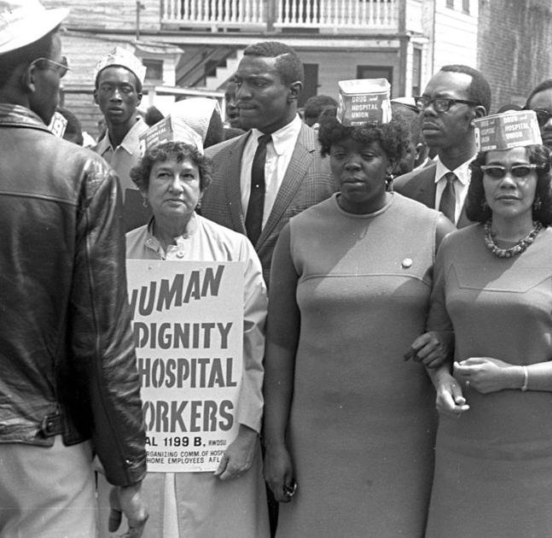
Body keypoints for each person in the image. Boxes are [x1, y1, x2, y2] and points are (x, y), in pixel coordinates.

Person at [420, 123, 552, 537]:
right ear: (481, 180)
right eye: (495, 171)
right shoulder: (453, 246)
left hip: (538, 452)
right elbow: (438, 339)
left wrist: (513, 376)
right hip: (464, 442)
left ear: (540, 181)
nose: (507, 181)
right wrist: (440, 381)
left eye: (522, 171)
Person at [262, 116, 454, 536]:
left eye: (367, 155)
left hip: (405, 441)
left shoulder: (434, 229)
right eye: (340, 154)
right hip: (315, 441)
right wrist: (274, 444)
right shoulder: (298, 232)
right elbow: (279, 348)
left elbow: (454, 324)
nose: (353, 165)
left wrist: (444, 339)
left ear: (392, 162)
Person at [0, 3, 148, 535]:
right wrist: (126, 470)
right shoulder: (79, 171)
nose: (62, 86)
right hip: (42, 446)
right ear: (32, 76)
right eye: (60, 70)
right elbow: (102, 339)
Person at [106, 141, 270, 537]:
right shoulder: (116, 254)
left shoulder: (234, 251)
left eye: (188, 176)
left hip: (218, 444)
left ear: (202, 188)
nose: (176, 186)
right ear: (143, 188)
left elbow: (254, 347)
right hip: (141, 445)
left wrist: (248, 431)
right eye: (163, 175)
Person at [203, 42, 339, 284]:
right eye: (239, 82)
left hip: (296, 315)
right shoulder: (212, 161)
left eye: (258, 83)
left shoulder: (329, 161)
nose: (241, 94)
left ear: (294, 92)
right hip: (225, 313)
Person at [393, 65, 491, 227]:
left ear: (477, 116)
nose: (428, 111)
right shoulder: (404, 188)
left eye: (443, 103)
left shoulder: (499, 185)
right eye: (424, 102)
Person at [92, 45, 152, 230]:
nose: (116, 97)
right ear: (96, 96)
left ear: (139, 98)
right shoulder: (94, 155)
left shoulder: (156, 148)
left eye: (125, 89)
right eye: (107, 88)